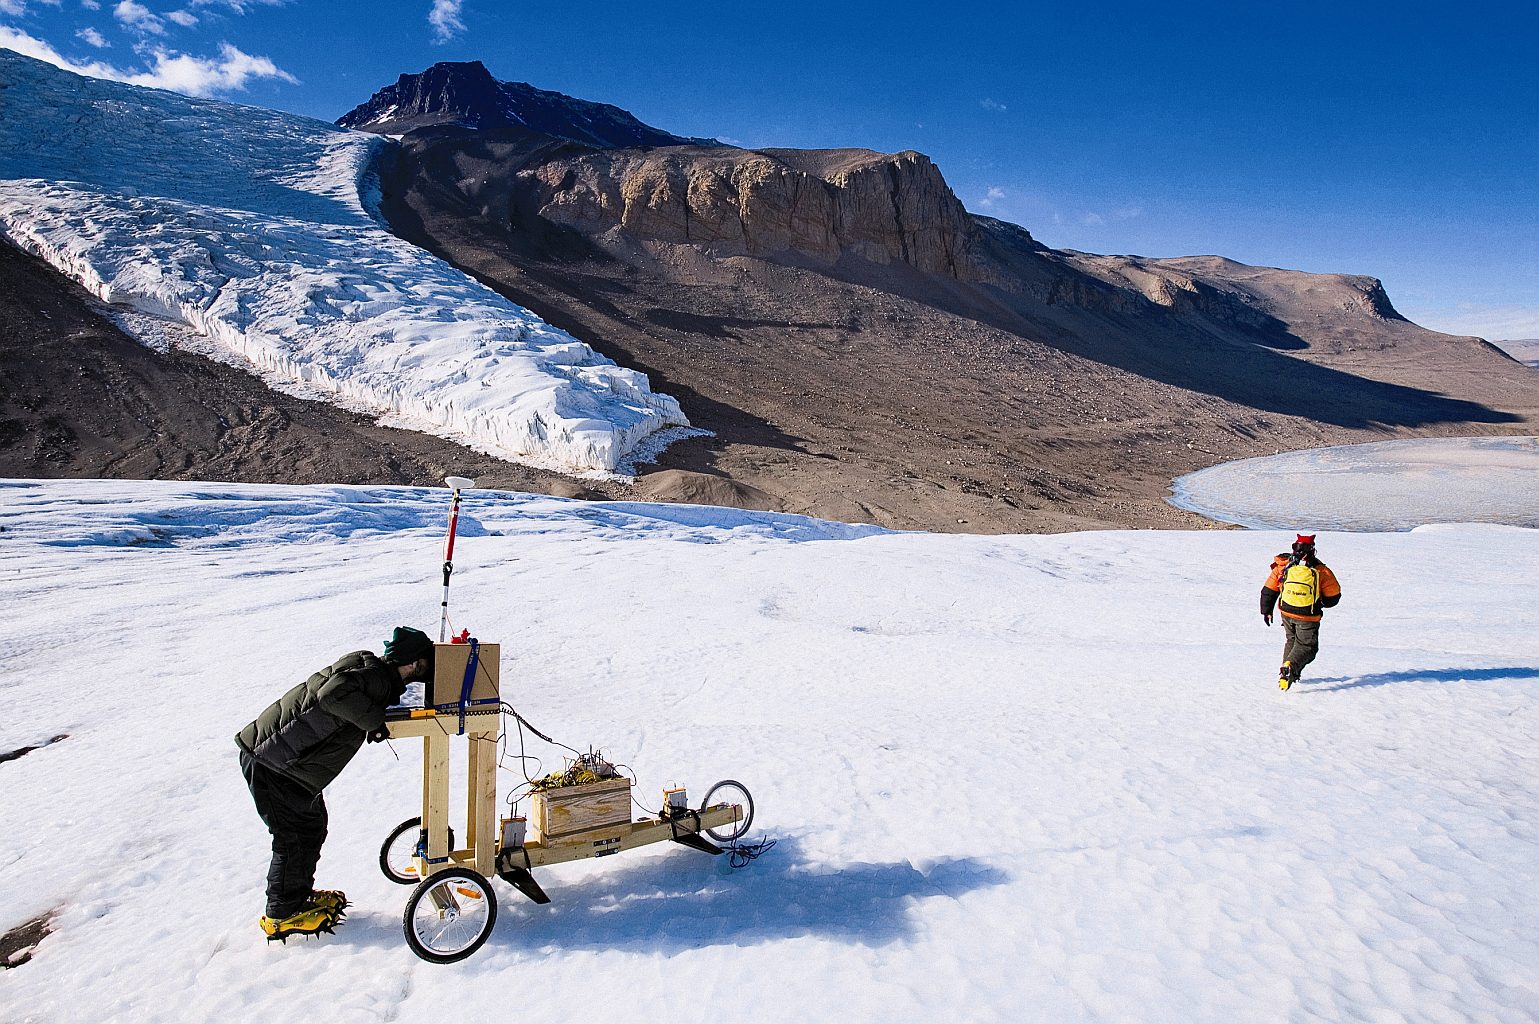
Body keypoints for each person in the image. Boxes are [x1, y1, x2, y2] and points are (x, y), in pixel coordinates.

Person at [235, 626, 435, 940]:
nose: (422, 674)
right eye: (423, 666)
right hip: (276, 764)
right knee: (295, 837)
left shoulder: (369, 666)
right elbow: (331, 693)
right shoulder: (378, 679)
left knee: (310, 827)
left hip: (279, 759)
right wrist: (374, 721)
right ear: (412, 663)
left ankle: (295, 898)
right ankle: (282, 914)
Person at [1260, 534, 1342, 690]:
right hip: (1308, 616)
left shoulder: (1283, 565)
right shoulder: (1321, 570)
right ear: (1313, 550)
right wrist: (1321, 602)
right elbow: (1333, 597)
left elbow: (1268, 590)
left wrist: (1266, 610)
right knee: (1307, 647)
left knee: (1291, 641)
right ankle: (1290, 668)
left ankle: (1288, 675)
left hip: (1286, 612)